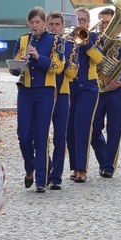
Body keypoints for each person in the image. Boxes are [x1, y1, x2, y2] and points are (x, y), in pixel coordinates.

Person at [10, 7, 65, 192]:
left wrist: (38, 57)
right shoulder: (23, 40)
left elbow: (58, 66)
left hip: (45, 92)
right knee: (24, 136)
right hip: (25, 91)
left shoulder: (55, 40)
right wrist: (17, 65)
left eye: (38, 23)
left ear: (44, 23)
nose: (35, 26)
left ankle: (41, 180)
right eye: (32, 23)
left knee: (41, 135)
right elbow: (13, 66)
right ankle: (30, 168)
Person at [90, 9, 121, 179]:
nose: (105, 26)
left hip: (116, 92)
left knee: (114, 130)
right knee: (93, 129)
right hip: (97, 91)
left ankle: (109, 166)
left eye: (108, 23)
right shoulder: (93, 42)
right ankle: (104, 160)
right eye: (102, 23)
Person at [67, 7, 103, 183]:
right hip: (69, 86)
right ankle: (74, 167)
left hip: (88, 87)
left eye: (83, 20)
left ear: (88, 22)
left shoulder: (94, 38)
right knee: (69, 130)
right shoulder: (68, 38)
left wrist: (86, 42)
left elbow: (98, 59)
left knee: (82, 127)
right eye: (77, 20)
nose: (80, 23)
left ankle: (82, 168)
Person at [46, 12, 78, 189]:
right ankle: (47, 166)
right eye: (51, 24)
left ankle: (56, 176)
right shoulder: (41, 43)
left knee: (60, 137)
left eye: (57, 24)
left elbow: (73, 73)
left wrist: (62, 58)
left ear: (63, 26)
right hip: (44, 93)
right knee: (40, 136)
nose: (54, 28)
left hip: (63, 94)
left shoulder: (71, 46)